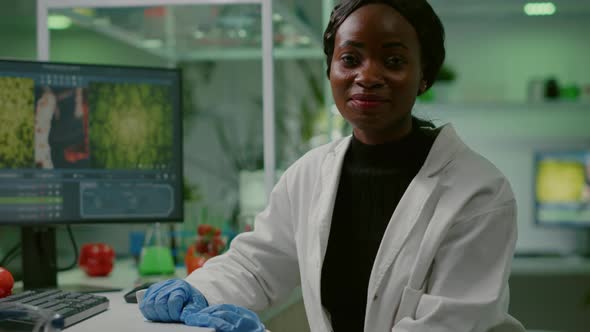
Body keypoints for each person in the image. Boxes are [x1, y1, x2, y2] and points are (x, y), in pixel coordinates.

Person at [139, 0, 525, 331]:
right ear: (330, 71)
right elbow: (257, 265)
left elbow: (447, 325)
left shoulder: (478, 192)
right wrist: (200, 289)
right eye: (350, 59)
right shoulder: (308, 175)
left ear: (424, 75)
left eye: (393, 60)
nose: (367, 76)